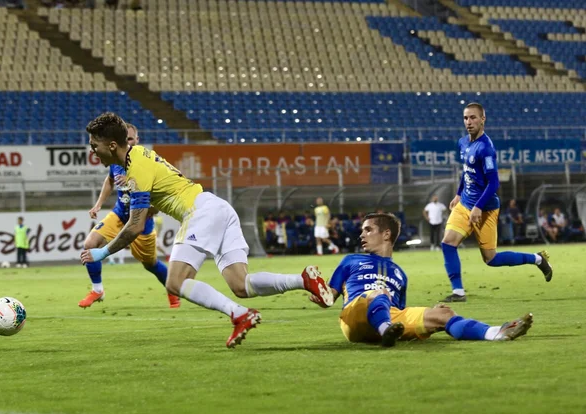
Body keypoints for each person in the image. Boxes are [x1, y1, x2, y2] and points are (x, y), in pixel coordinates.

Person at [80, 113, 333, 348]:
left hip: (199, 212)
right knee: (241, 285)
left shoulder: (136, 169)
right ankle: (304, 280)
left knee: (175, 282)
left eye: (94, 145)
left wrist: (101, 253)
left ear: (112, 145)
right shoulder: (138, 158)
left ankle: (240, 315)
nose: (93, 151)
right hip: (217, 207)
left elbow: (135, 226)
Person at [309, 212, 533, 347]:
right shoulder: (350, 260)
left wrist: (429, 313)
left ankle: (495, 333)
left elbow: (400, 311)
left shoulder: (400, 274)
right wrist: (317, 292)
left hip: (386, 315)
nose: (361, 235)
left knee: (444, 314)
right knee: (379, 293)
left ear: (386, 235)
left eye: (368, 230)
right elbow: (329, 298)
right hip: (354, 317)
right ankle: (385, 330)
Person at [440, 103, 552, 302]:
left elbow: (494, 183)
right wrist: (458, 194)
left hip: (485, 209)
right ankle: (458, 292)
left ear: (483, 119)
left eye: (473, 118)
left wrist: (478, 207)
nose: (469, 122)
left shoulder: (486, 148)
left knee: (491, 259)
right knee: (448, 243)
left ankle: (537, 259)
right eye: (466, 118)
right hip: (465, 204)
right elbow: (466, 172)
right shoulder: (462, 143)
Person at [80, 122, 180, 309]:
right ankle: (97, 289)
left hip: (141, 223)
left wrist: (132, 181)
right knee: (89, 245)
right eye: (124, 139)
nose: (128, 143)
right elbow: (109, 180)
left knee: (150, 264)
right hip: (119, 215)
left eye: (131, 139)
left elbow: (156, 201)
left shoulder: (144, 163)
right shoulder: (116, 160)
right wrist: (98, 204)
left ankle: (172, 291)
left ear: (137, 140)